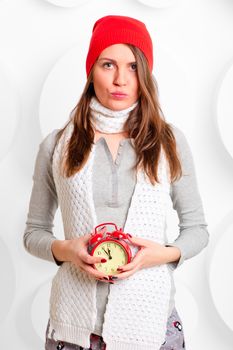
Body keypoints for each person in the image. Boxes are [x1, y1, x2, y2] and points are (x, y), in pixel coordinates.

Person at [23, 15, 209, 350]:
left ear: (145, 74)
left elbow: (197, 228)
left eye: (133, 67)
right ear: (91, 70)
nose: (121, 79)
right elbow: (34, 232)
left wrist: (163, 254)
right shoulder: (57, 145)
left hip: (153, 325)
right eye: (108, 64)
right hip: (73, 330)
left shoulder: (168, 142)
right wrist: (67, 249)